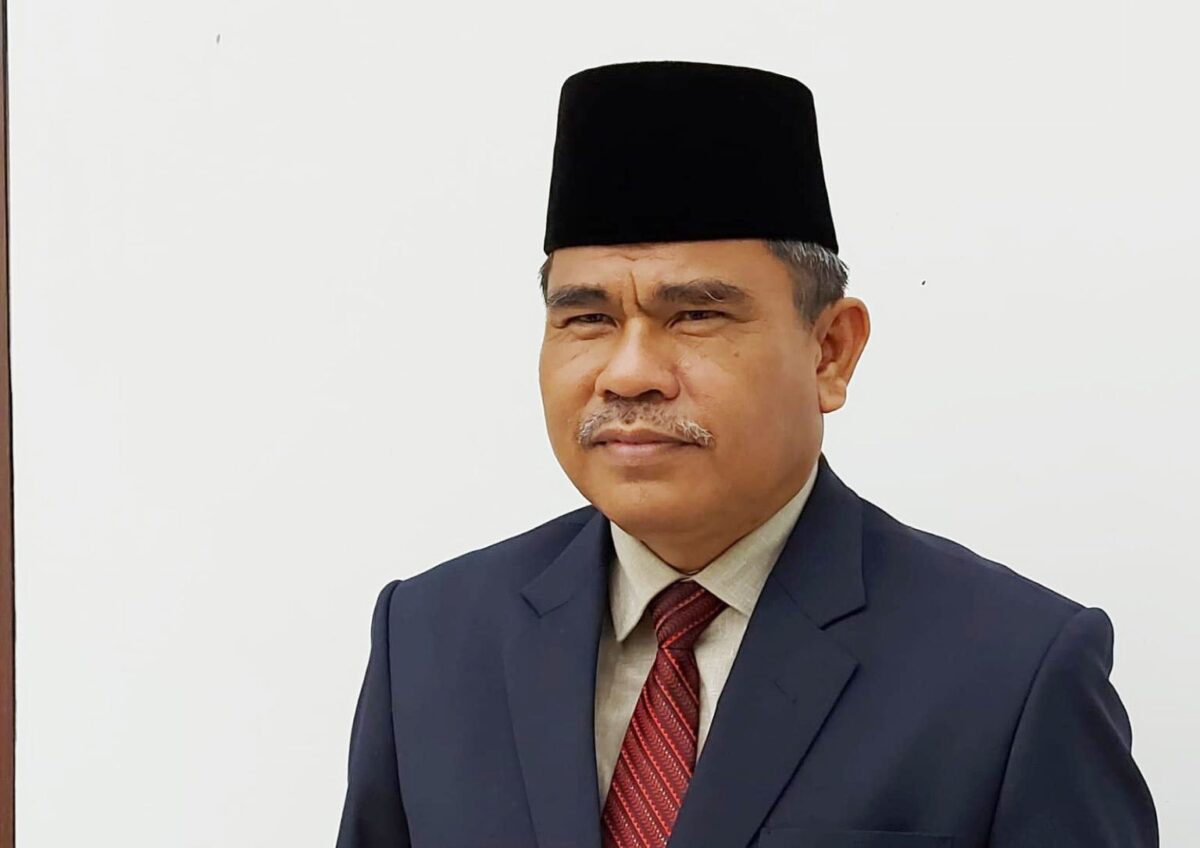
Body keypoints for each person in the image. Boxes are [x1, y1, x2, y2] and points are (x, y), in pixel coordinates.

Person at [335, 61, 1157, 847]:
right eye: (587, 319)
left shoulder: (1012, 671)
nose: (629, 373)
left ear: (830, 351)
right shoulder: (431, 639)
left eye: (696, 315)